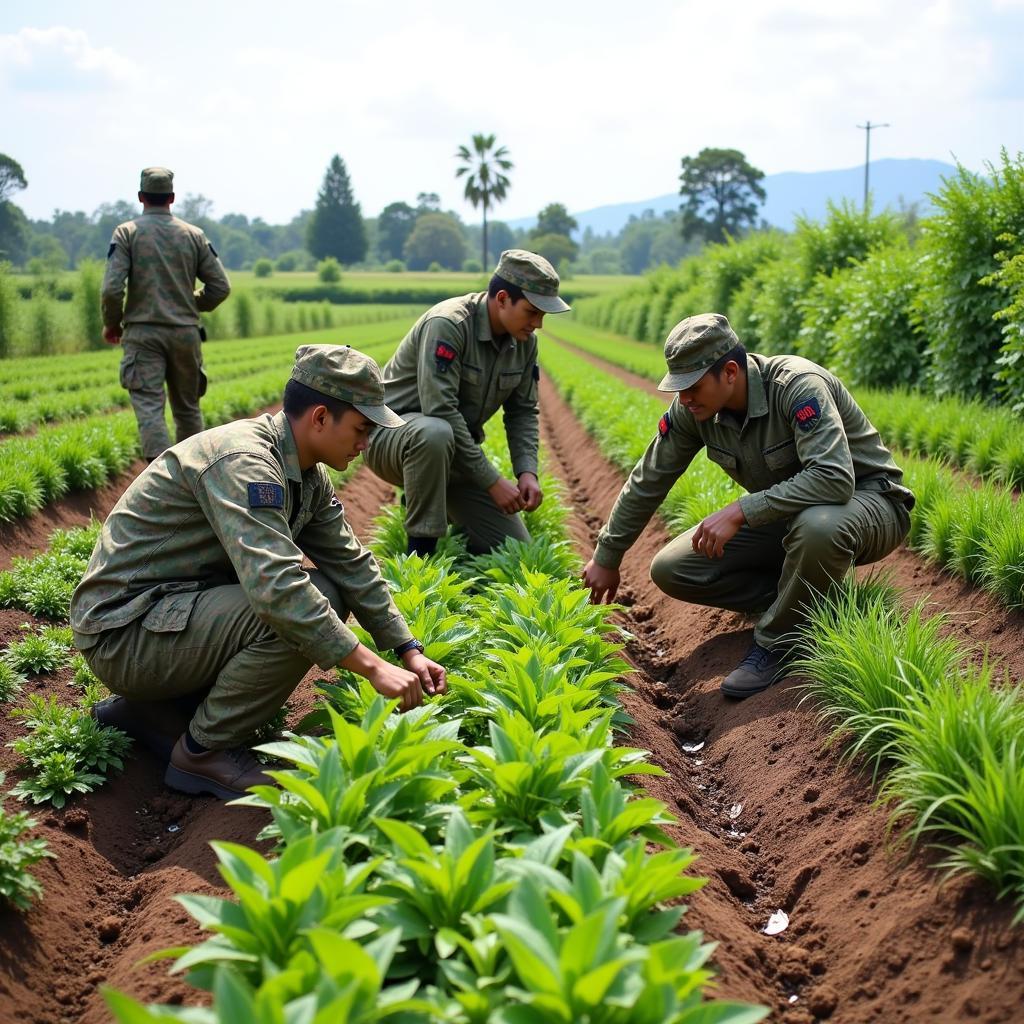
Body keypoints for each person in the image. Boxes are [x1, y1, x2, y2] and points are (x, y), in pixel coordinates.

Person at [70, 344, 447, 800]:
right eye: (362, 428)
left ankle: (154, 711)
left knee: (329, 587)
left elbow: (351, 563)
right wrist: (371, 668)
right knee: (291, 608)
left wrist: (407, 649)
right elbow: (276, 589)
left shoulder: (306, 473)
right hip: (125, 631)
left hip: (171, 616)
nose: (366, 444)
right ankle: (203, 750)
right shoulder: (247, 463)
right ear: (321, 417)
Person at [582, 313, 914, 698]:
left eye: (692, 385)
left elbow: (835, 479)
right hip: (792, 514)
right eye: (678, 387)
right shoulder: (692, 410)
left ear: (730, 372)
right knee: (674, 569)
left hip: (870, 502)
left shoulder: (797, 386)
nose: (684, 397)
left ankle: (778, 643)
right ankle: (814, 602)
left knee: (819, 526)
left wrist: (741, 511)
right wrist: (607, 555)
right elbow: (649, 478)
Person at [365, 249, 570, 555]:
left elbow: (523, 411)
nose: (538, 323)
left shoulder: (525, 344)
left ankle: (442, 504)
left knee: (515, 548)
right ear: (502, 299)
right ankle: (419, 557)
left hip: (453, 456)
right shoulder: (448, 324)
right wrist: (492, 482)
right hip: (392, 441)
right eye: (532, 311)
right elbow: (440, 411)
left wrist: (527, 472)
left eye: (543, 314)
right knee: (434, 433)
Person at [101, 166, 231, 462]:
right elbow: (220, 286)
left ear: (140, 197)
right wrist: (187, 304)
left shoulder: (127, 233)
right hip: (185, 334)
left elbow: (111, 289)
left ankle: (159, 480)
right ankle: (192, 479)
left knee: (149, 406)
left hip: (142, 335)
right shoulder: (194, 235)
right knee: (187, 408)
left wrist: (112, 324)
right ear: (171, 197)